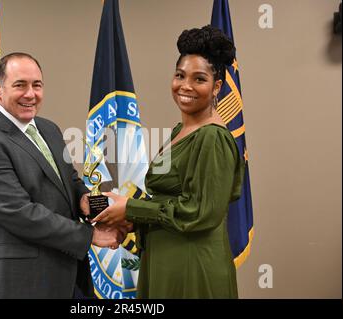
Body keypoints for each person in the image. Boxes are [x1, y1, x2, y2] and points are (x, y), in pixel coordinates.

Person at [91, 26, 245, 298]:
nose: (185, 86)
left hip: (193, 266)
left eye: (199, 79)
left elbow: (199, 212)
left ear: (216, 86)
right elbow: (166, 201)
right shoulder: (179, 131)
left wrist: (132, 209)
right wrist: (129, 217)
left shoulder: (212, 138)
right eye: (179, 75)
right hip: (166, 258)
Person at [0, 52, 124, 299]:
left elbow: (69, 182)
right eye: (20, 85)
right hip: (19, 284)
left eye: (36, 85)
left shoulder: (48, 129)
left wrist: (91, 204)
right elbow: (19, 213)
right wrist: (90, 234)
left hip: (67, 276)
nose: (31, 94)